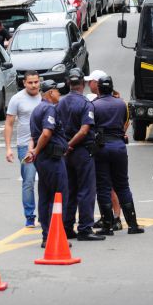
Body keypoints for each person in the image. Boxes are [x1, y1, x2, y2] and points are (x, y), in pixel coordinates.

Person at [92, 76, 145, 235]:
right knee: (122, 185)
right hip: (119, 146)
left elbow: (91, 126)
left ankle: (107, 226)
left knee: (103, 186)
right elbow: (124, 122)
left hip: (102, 147)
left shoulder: (94, 105)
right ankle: (133, 225)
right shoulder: (121, 104)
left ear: (99, 89)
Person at [57, 68, 105, 241]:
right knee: (86, 190)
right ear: (83, 84)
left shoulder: (60, 103)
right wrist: (70, 144)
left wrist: (65, 146)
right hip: (81, 151)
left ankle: (67, 226)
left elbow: (56, 127)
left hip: (66, 153)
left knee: (70, 190)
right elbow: (85, 130)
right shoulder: (86, 104)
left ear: (69, 83)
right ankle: (85, 228)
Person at [24, 80, 69, 248]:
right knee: (58, 197)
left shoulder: (37, 110)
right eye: (58, 91)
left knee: (45, 197)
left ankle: (46, 235)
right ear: (50, 93)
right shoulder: (49, 108)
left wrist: (32, 151)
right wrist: (35, 151)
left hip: (43, 160)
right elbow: (46, 133)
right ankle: (55, 235)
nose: (60, 94)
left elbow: (32, 137)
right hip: (52, 159)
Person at [85, 69, 124, 231]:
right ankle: (107, 217)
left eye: (91, 82)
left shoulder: (95, 103)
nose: (89, 84)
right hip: (114, 145)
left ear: (98, 84)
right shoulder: (116, 101)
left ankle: (114, 218)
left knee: (108, 186)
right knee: (106, 186)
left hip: (102, 147)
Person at [4, 71, 42, 228]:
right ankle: (30, 216)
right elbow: (9, 124)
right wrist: (8, 148)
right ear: (24, 83)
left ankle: (45, 214)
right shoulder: (17, 99)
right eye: (30, 82)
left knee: (48, 182)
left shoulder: (46, 96)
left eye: (36, 82)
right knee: (28, 182)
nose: (34, 85)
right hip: (25, 147)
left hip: (46, 145)